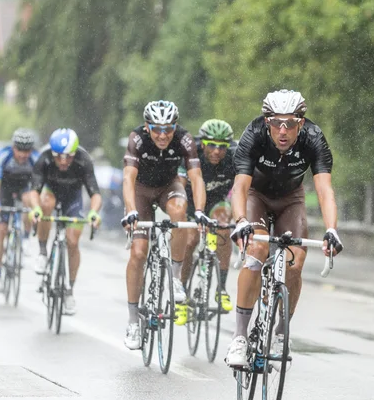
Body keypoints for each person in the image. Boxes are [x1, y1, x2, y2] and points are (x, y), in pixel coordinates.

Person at [225, 89, 344, 367]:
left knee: (295, 262)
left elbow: (325, 191)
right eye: (276, 122)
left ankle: (280, 331)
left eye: (290, 123)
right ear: (266, 121)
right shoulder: (253, 134)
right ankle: (240, 337)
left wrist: (332, 229)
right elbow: (240, 187)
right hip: (256, 196)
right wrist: (241, 220)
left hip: (291, 200)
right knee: (256, 249)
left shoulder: (314, 139)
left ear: (300, 123)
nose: (282, 130)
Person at [121, 100, 210, 350]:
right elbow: (128, 177)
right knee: (138, 252)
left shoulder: (184, 139)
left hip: (168, 187)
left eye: (168, 129)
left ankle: (175, 277)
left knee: (181, 214)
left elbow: (196, 177)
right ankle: (132, 322)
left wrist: (201, 211)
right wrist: (130, 212)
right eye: (157, 129)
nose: (162, 135)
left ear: (175, 127)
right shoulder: (137, 139)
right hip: (140, 191)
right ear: (148, 126)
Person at [29, 128, 102, 315]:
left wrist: (94, 212)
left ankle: (69, 290)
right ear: (52, 153)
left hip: (73, 199)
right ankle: (43, 252)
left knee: (72, 242)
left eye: (68, 157)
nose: (62, 161)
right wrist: (35, 208)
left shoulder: (83, 160)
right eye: (58, 156)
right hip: (51, 193)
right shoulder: (44, 158)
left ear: (75, 153)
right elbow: (34, 192)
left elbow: (95, 194)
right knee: (45, 204)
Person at [178, 119, 236, 314]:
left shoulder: (235, 156)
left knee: (224, 230)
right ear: (202, 143)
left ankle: (221, 288)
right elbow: (179, 184)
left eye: (222, 146)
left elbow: (243, 188)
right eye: (211, 145)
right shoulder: (191, 152)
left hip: (217, 201)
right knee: (191, 240)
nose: (217, 151)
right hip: (191, 199)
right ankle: (182, 289)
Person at [0, 129, 39, 292]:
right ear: (13, 148)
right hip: (5, 188)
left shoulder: (35, 159)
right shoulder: (4, 156)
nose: (23, 154)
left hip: (25, 188)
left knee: (27, 201)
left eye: (27, 150)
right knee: (1, 230)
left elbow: (38, 188)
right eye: (20, 150)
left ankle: (25, 239)